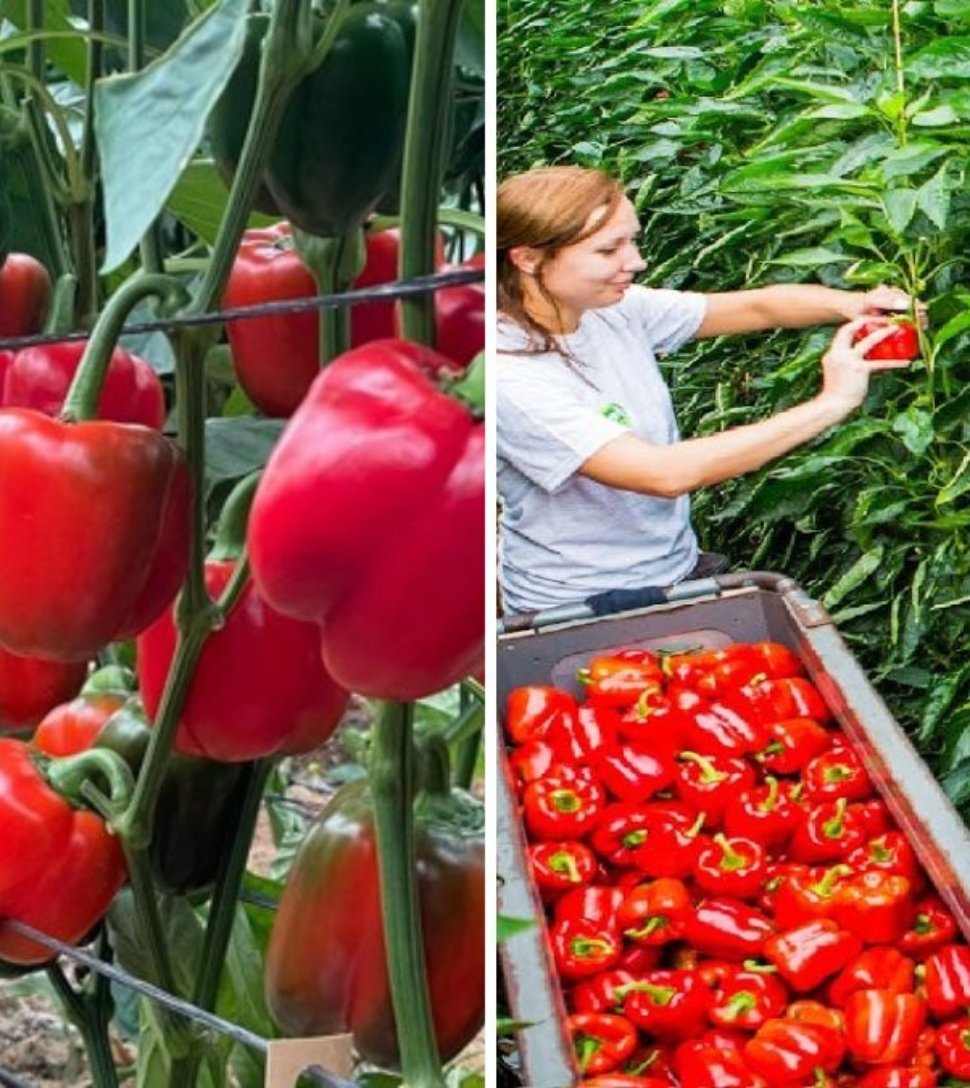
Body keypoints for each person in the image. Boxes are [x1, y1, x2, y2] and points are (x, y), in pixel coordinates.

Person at [496, 165, 917, 616]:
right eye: (608, 249)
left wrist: (853, 305)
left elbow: (759, 307)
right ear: (527, 258)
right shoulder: (513, 377)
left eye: (631, 240)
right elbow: (663, 474)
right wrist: (832, 402)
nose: (635, 261)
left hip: (673, 569)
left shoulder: (610, 310)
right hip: (579, 606)